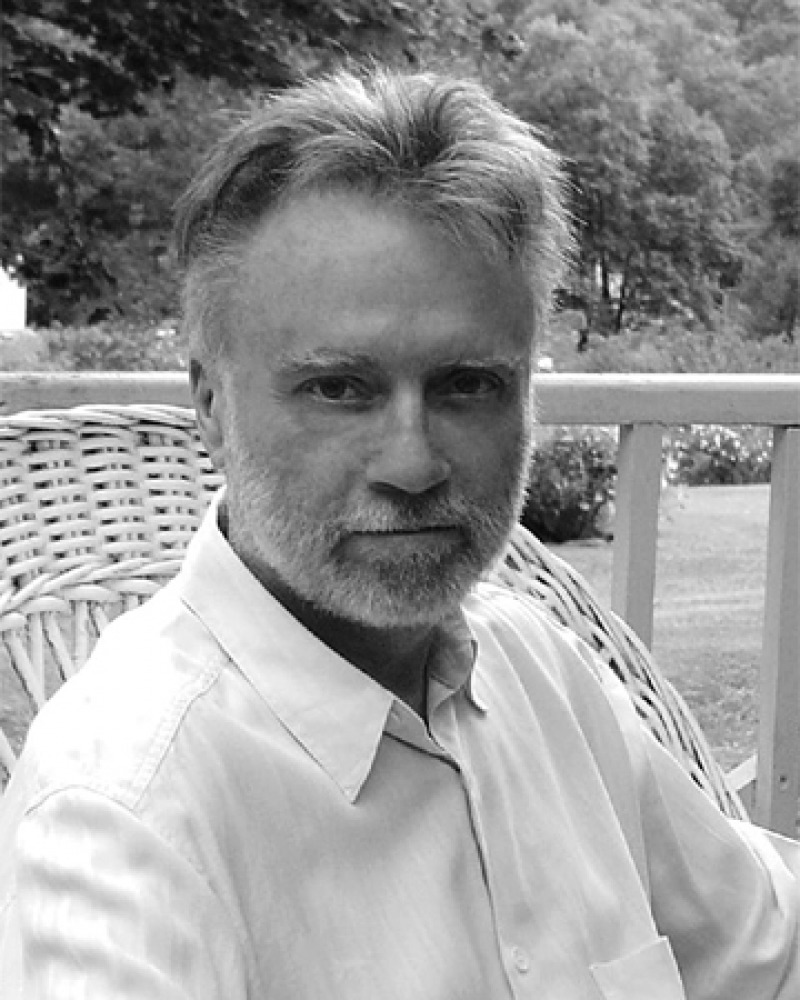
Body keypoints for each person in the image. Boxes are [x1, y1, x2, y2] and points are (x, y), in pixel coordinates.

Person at [0, 67, 797, 1000]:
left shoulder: (539, 671)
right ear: (211, 406)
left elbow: (761, 947)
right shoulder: (124, 818)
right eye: (340, 388)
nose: (413, 463)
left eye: (468, 384)